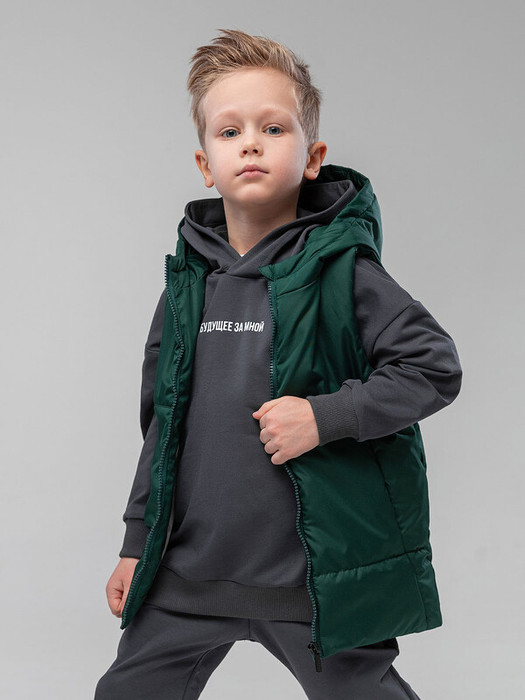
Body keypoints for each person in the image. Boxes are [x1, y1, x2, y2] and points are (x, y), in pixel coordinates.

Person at [94, 28, 462, 699]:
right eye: (229, 131)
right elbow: (163, 427)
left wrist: (326, 417)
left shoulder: (346, 274)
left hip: (310, 583)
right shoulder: (186, 290)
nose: (251, 144)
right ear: (206, 163)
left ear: (312, 156)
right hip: (189, 575)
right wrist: (137, 542)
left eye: (273, 127)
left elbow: (433, 368)